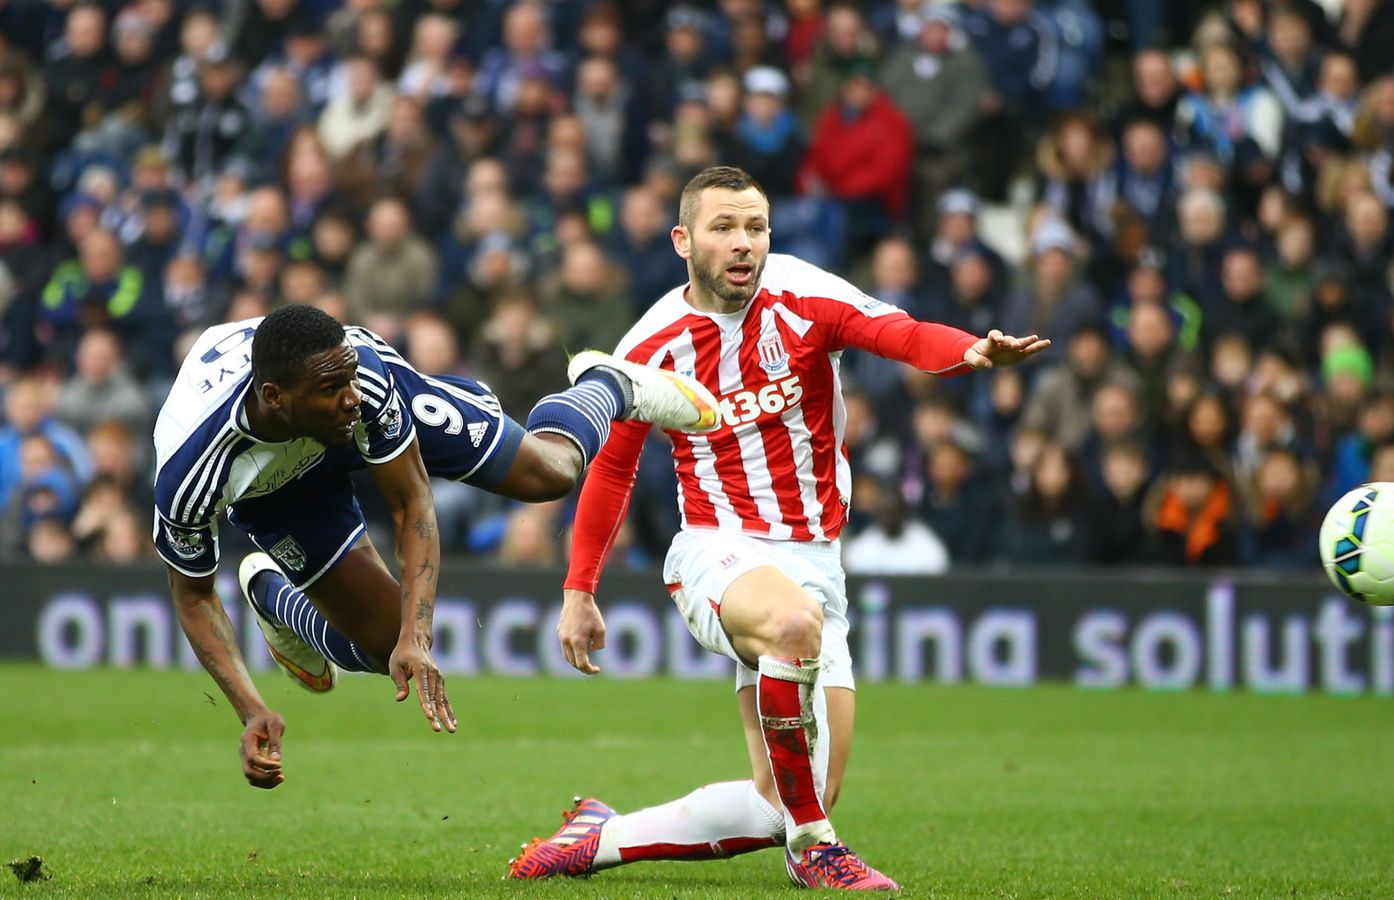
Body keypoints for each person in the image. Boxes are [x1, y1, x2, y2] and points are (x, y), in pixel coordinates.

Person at [506, 166, 1048, 890]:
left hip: (817, 560)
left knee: (788, 800)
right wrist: (580, 588)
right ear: (682, 240)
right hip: (716, 551)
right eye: (723, 227)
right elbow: (611, 469)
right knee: (793, 633)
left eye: (755, 227)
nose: (743, 244)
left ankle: (598, 839)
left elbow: (895, 331)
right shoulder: (650, 344)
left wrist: (968, 351)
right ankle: (817, 850)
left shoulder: (805, 294)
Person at [153, 304, 720, 790]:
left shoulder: (361, 383)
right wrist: (251, 709)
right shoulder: (191, 470)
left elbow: (411, 505)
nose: (349, 396)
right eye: (332, 388)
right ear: (274, 397)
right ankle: (277, 599)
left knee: (547, 475)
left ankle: (611, 385)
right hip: (277, 492)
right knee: (383, 652)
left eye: (347, 379)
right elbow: (195, 597)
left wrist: (417, 635)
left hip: (357, 424)